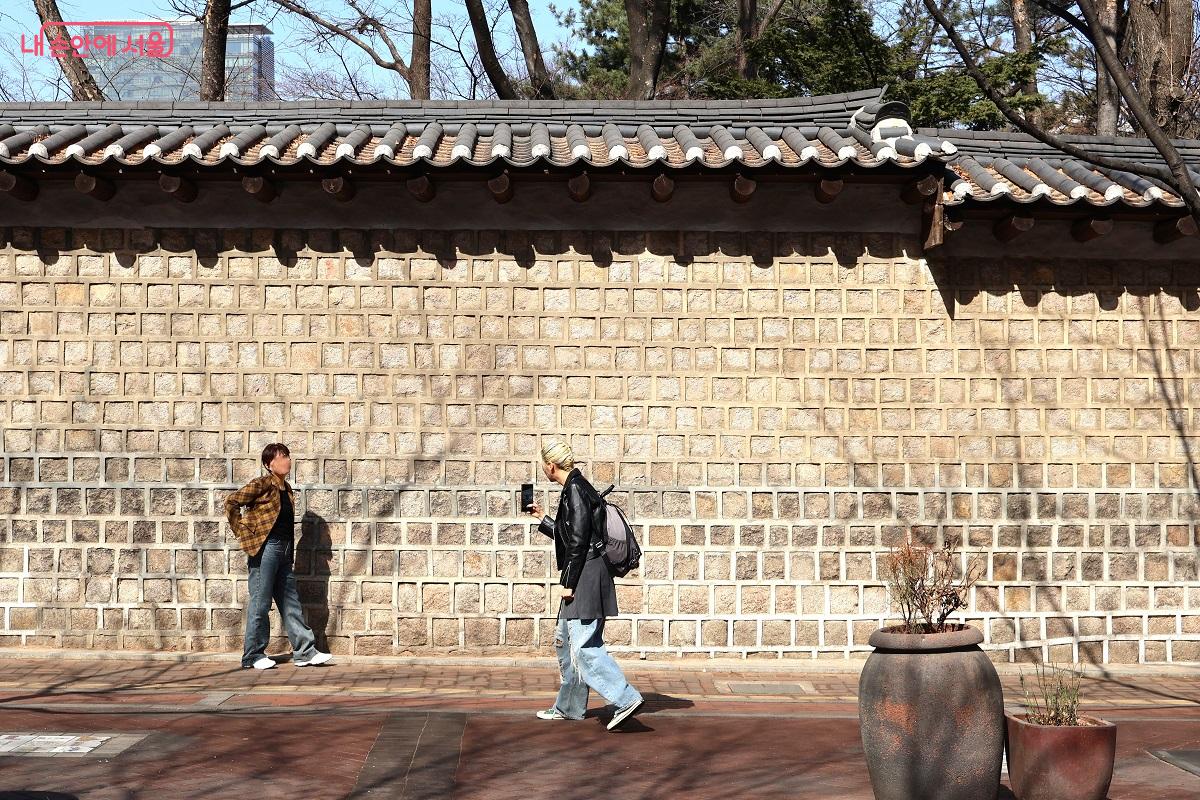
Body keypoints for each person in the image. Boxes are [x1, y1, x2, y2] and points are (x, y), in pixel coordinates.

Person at [526, 438, 643, 730]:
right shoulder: (575, 488)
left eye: (543, 465)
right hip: (584, 571)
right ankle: (569, 706)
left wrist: (568, 583)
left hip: (586, 576)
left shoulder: (576, 490)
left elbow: (578, 544)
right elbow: (574, 535)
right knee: (565, 641)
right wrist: (543, 519)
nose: (543, 469)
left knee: (584, 646)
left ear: (550, 465)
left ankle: (625, 698)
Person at [225, 443, 333, 670]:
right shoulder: (262, 484)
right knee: (260, 603)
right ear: (269, 464)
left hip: (284, 552)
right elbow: (232, 502)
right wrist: (243, 531)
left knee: (291, 603)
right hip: (265, 549)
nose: (287, 460)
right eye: (282, 456)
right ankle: (253, 655)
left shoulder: (287, 489)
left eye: (288, 456)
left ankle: (305, 652)